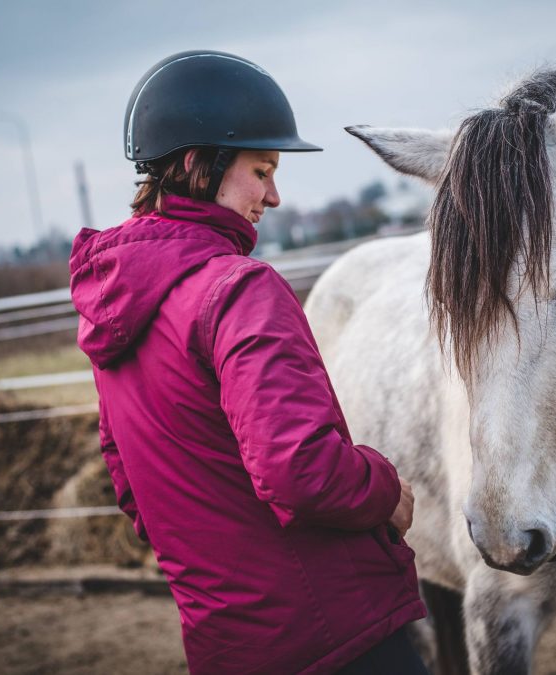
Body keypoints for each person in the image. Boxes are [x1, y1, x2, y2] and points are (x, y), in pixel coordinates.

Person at [69, 51, 429, 674]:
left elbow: (129, 483)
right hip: (337, 635)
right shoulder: (235, 289)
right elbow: (301, 469)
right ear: (195, 165)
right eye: (260, 170)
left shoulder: (113, 309)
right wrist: (384, 489)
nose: (275, 195)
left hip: (227, 647)